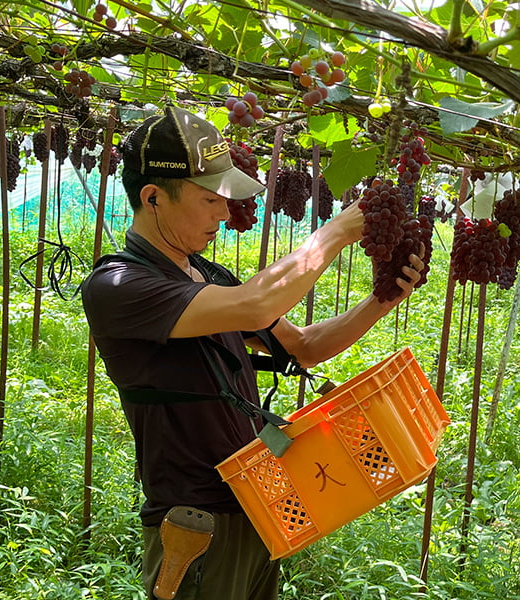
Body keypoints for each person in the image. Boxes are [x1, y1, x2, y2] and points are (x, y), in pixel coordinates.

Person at [81, 104, 424, 600]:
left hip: (259, 507)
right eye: (209, 200)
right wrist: (337, 232)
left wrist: (381, 300)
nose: (224, 212)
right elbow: (257, 302)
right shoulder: (120, 286)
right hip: (197, 524)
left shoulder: (207, 277)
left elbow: (304, 347)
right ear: (153, 197)